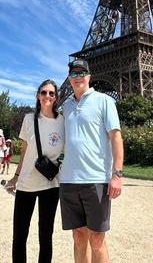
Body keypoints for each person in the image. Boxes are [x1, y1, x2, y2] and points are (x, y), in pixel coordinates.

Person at [60, 59, 124, 263]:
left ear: (89, 76)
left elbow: (116, 136)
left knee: (97, 239)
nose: (78, 77)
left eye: (82, 73)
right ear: (69, 78)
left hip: (96, 179)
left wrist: (117, 174)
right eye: (74, 73)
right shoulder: (66, 106)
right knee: (78, 236)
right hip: (69, 180)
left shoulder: (104, 101)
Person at [4, 79, 64, 263]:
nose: (47, 96)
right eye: (44, 92)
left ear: (56, 97)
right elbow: (24, 151)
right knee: (19, 236)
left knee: (46, 236)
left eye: (51, 93)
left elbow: (68, 149)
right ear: (38, 95)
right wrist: (15, 177)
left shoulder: (63, 121)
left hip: (51, 185)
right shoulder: (29, 119)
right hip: (26, 184)